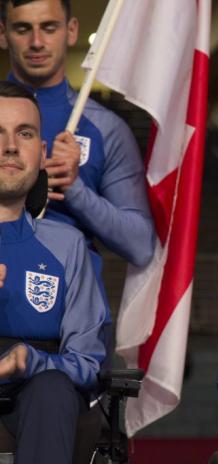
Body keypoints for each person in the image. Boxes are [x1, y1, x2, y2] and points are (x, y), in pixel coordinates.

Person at [0, 0, 155, 276]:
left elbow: (140, 245)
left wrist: (74, 189)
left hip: (74, 311)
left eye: (49, 28)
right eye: (23, 29)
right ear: (3, 34)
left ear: (71, 31)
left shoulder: (105, 128)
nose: (36, 42)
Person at [0, 80, 107, 464]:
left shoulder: (67, 245)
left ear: (42, 153)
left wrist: (30, 361)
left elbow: (88, 363)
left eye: (24, 133)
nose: (10, 146)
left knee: (52, 390)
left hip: (41, 399)